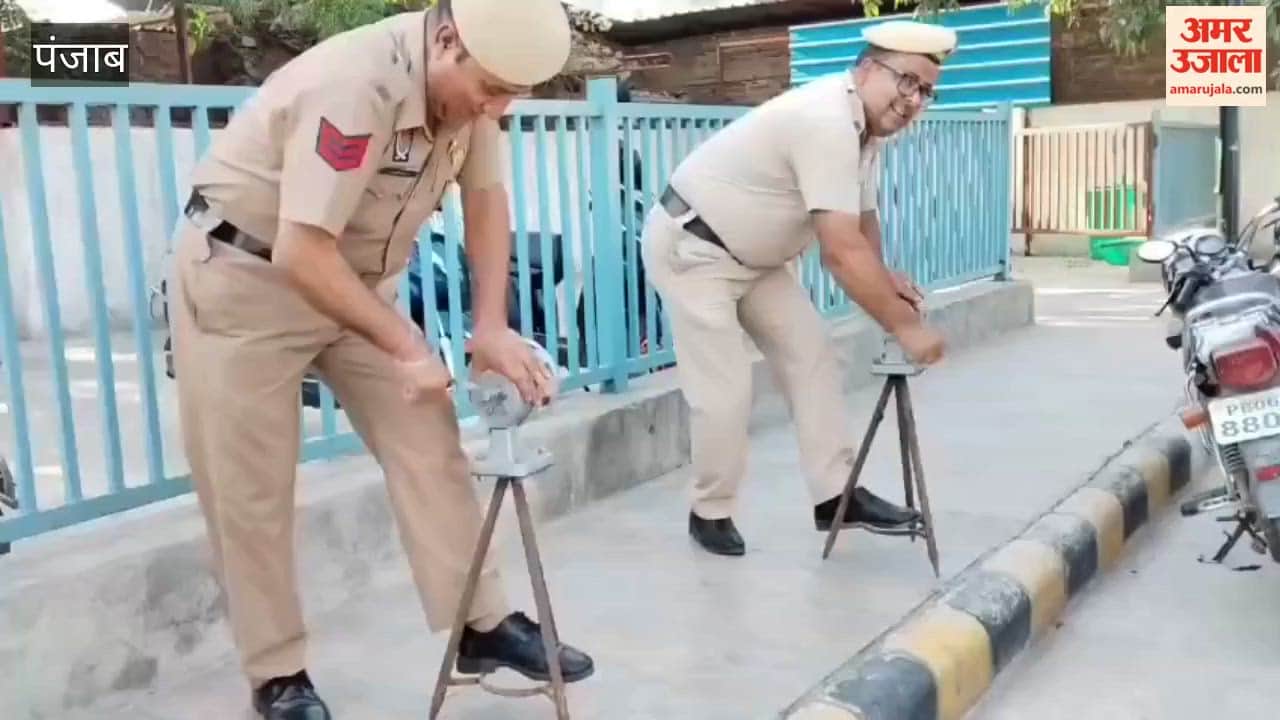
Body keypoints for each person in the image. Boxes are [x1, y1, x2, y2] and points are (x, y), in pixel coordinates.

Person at [167, 1, 594, 717]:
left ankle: (481, 624)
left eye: (512, 96)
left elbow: (486, 200)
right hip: (247, 278)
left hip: (356, 285)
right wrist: (407, 345)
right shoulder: (355, 86)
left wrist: (492, 326)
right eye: (492, 90)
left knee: (429, 442)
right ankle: (277, 675)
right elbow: (303, 249)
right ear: (447, 40)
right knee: (250, 489)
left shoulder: (472, 88)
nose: (497, 109)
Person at [640, 20, 957, 557]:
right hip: (695, 248)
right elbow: (839, 250)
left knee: (812, 356)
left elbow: (862, 219)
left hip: (756, 261)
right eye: (906, 81)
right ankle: (709, 511)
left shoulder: (866, 131)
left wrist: (884, 278)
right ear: (866, 69)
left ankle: (835, 496)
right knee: (725, 392)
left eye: (925, 91)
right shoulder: (825, 120)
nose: (913, 101)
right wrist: (905, 326)